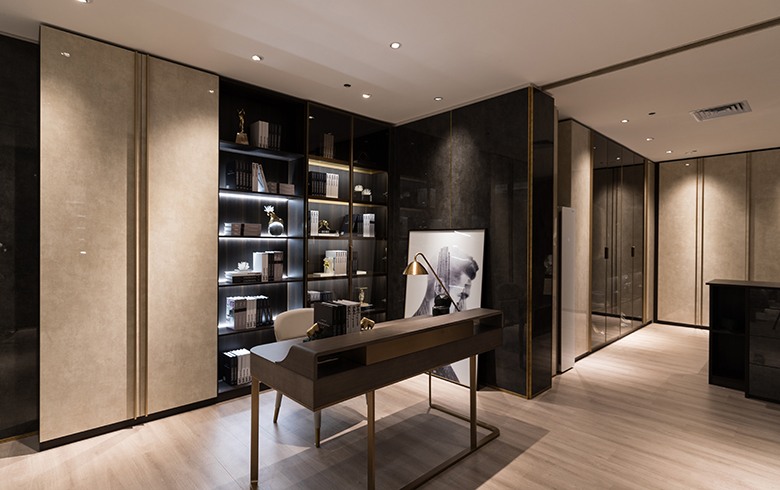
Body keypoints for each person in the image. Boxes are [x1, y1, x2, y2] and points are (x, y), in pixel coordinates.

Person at [413, 246, 479, 317]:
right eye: (459, 295)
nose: (460, 302)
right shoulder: (418, 318)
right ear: (440, 287)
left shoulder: (459, 308)